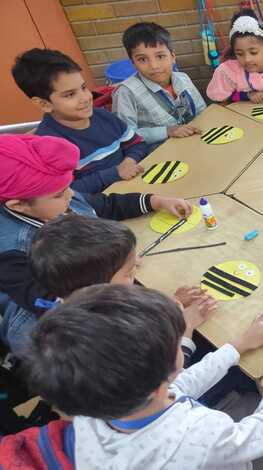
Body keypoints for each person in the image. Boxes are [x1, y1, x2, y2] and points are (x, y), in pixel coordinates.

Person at [22, 284, 263, 469]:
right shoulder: (201, 435)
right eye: (177, 337)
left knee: (250, 400)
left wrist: (238, 345)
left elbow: (179, 386)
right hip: (222, 454)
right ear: (172, 363)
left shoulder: (92, 411)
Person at [0, 134, 190, 353]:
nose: (71, 195)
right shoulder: (10, 251)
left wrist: (154, 201)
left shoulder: (58, 197)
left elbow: (104, 205)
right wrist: (151, 304)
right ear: (18, 205)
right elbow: (49, 304)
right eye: (60, 194)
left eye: (69, 186)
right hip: (50, 328)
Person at [28, 214, 215, 365]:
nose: (137, 268)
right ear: (97, 288)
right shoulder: (111, 338)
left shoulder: (83, 305)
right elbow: (170, 379)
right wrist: (185, 328)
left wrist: (170, 302)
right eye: (129, 271)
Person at [12, 48, 149, 193]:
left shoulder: (104, 116)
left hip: (137, 187)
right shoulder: (48, 145)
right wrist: (115, 173)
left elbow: (137, 144)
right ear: (43, 104)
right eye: (70, 95)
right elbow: (64, 192)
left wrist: (129, 161)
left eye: (83, 87)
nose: (85, 98)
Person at [113, 22, 206, 147]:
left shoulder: (183, 78)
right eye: (142, 59)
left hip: (194, 142)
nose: (154, 66)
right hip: (158, 151)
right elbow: (125, 135)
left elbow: (202, 112)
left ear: (173, 56)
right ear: (133, 63)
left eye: (160, 56)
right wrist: (166, 131)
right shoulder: (126, 92)